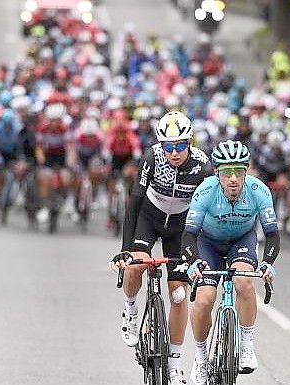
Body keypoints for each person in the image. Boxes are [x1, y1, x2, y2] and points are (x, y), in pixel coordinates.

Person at [109, 111, 210, 385]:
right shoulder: (152, 158)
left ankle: (175, 364)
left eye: (180, 145)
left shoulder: (203, 166)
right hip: (149, 219)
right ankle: (130, 309)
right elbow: (134, 204)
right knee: (137, 265)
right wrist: (126, 249)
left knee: (178, 295)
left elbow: (207, 211)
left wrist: (200, 253)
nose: (174, 152)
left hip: (180, 226)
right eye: (168, 146)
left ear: (190, 142)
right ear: (161, 145)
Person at [182, 140, 279, 384]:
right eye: (227, 172)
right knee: (204, 300)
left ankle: (246, 346)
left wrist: (267, 263)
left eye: (239, 171)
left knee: (244, 282)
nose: (233, 178)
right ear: (217, 173)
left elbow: (272, 234)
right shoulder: (205, 191)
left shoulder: (259, 191)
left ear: (247, 172)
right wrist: (193, 261)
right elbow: (189, 234)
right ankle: (201, 357)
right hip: (208, 243)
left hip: (241, 241)